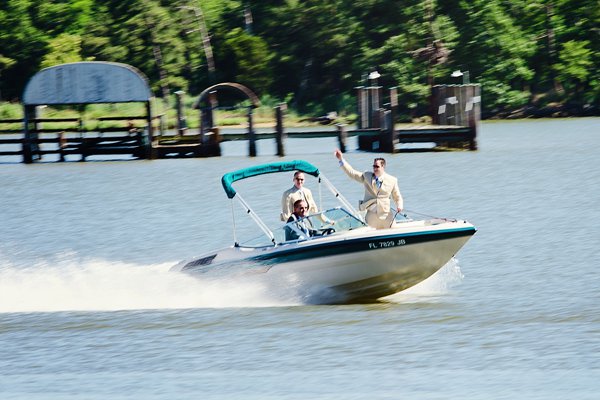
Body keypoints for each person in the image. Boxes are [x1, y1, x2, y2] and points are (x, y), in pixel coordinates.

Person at [334, 149, 403, 229]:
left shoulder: (392, 180)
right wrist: (341, 160)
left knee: (393, 233)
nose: (375, 169)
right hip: (371, 215)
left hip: (386, 215)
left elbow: (397, 197)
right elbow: (352, 173)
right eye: (374, 166)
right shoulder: (367, 176)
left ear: (383, 166)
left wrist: (399, 206)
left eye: (377, 166)